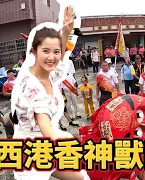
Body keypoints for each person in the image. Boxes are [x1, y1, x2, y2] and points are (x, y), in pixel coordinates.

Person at [10, 6, 90, 180]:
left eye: (56, 51)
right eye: (45, 51)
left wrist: (66, 31)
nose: (51, 57)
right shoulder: (32, 87)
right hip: (33, 150)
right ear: (33, 51)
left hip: (44, 141)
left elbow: (58, 60)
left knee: (81, 177)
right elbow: (45, 124)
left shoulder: (47, 72)